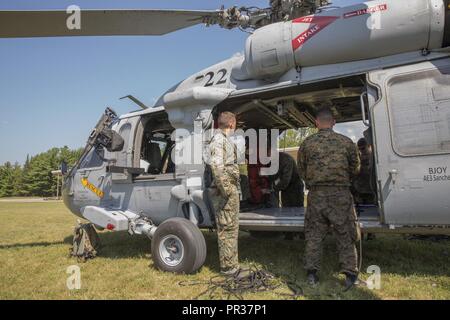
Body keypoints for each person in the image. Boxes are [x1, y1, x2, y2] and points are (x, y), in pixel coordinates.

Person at [297, 107, 361, 289]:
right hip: (340, 194)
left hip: (316, 195)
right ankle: (349, 274)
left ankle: (312, 274)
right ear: (333, 122)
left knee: (314, 235)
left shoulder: (307, 143)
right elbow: (355, 168)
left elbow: (301, 169)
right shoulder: (346, 142)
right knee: (345, 233)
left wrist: (313, 181)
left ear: (316, 123)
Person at [207, 111, 241, 275]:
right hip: (225, 192)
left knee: (232, 229)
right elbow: (217, 166)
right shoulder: (219, 140)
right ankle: (228, 268)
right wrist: (227, 190)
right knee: (227, 230)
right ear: (232, 123)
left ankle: (232, 264)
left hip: (229, 190)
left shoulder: (224, 140)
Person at [352, 138, 375, 205]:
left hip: (371, 191)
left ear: (369, 146)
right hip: (362, 190)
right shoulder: (359, 158)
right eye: (359, 149)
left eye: (363, 149)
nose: (361, 151)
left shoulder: (374, 157)